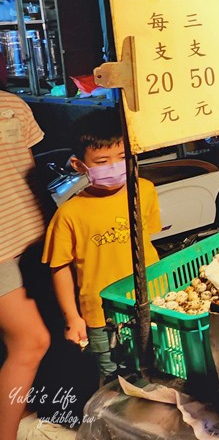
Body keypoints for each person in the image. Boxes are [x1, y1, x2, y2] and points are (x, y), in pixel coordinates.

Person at [42, 111, 161, 379]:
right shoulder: (69, 213)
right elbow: (59, 267)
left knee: (158, 367)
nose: (115, 166)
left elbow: (149, 242)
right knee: (113, 377)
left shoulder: (145, 190)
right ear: (78, 164)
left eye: (122, 157)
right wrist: (72, 318)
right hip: (100, 316)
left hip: (151, 299)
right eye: (102, 161)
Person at [0, 91, 50, 440]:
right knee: (31, 341)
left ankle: (22, 412)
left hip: (34, 236)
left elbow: (28, 174)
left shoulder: (13, 105)